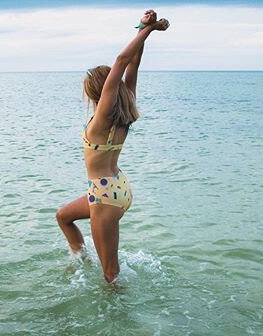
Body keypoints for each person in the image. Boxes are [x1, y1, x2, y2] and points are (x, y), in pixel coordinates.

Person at [56, 10, 170, 283]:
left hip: (104, 196)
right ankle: (79, 259)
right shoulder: (123, 108)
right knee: (64, 216)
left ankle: (119, 317)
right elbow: (133, 66)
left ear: (96, 91)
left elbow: (122, 60)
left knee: (110, 274)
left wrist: (149, 29)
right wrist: (142, 28)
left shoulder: (102, 119)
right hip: (115, 187)